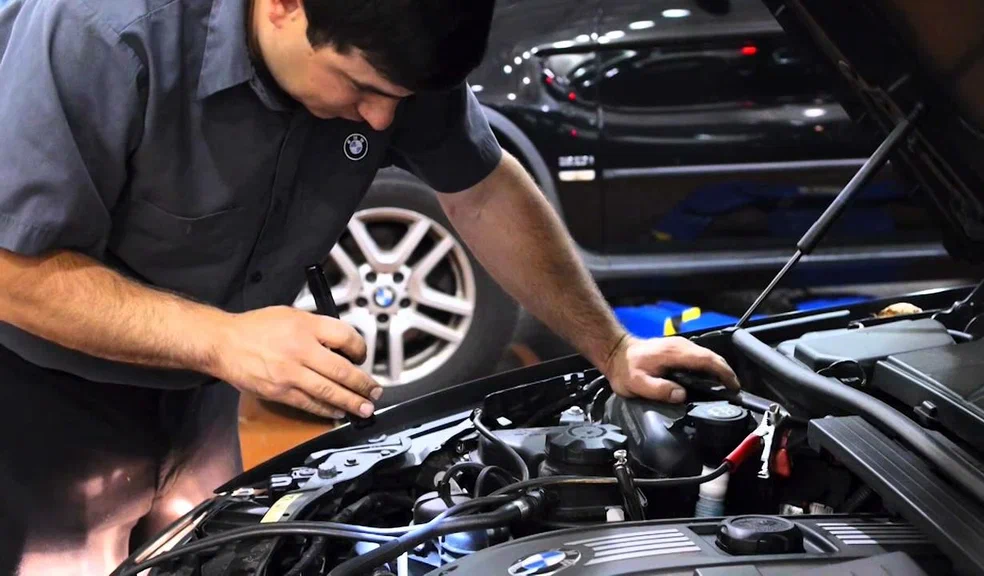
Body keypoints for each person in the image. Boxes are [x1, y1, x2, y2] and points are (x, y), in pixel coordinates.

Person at [0, 0, 740, 573]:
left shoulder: (386, 43)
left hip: (196, 396)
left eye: (399, 98)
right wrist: (223, 339)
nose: (383, 118)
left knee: (216, 557)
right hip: (36, 405)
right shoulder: (102, 33)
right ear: (284, 6)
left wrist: (611, 348)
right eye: (360, 86)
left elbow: (482, 192)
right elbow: (10, 271)